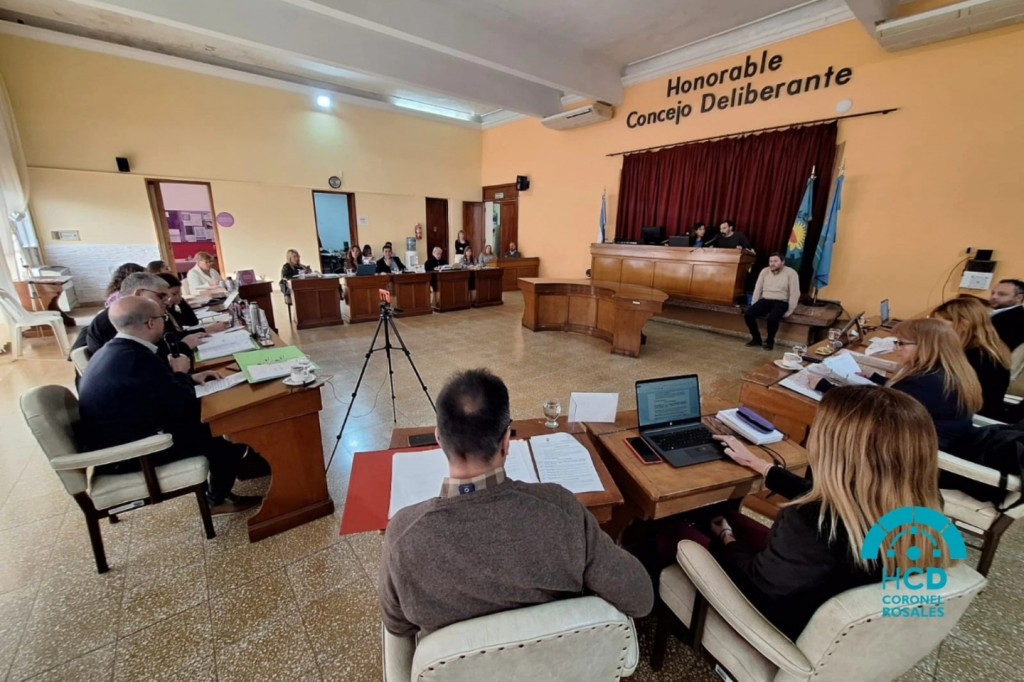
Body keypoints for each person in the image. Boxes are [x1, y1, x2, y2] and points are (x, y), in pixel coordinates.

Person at [378, 369, 653, 637]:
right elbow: (640, 599)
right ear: (506, 442)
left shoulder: (403, 534)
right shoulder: (560, 509)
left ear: (439, 438)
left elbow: (398, 626)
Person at [683, 386, 948, 640]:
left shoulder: (811, 520)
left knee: (679, 535)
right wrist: (762, 467)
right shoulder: (924, 506)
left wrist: (727, 538)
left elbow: (755, 584)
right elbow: (835, 498)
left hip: (780, 624)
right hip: (848, 627)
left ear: (838, 450)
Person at [77, 297, 260, 515]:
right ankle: (216, 500)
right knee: (228, 437)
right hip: (132, 453)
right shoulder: (136, 359)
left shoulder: (115, 350)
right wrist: (181, 373)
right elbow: (179, 404)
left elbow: (156, 392)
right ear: (151, 323)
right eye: (163, 317)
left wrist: (191, 378)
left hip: (127, 435)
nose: (165, 322)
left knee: (218, 425)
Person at [813, 318, 983, 452]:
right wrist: (878, 379)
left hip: (916, 453)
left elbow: (876, 410)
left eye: (901, 343)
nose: (896, 349)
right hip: (931, 439)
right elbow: (902, 395)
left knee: (838, 431)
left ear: (926, 346)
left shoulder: (927, 382)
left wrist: (826, 388)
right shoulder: (945, 372)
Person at [932, 297, 1011, 419]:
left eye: (940, 324)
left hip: (974, 418)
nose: (935, 330)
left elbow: (946, 390)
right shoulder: (990, 349)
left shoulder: (977, 356)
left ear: (963, 324)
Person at [743, 252, 799, 350]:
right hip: (765, 299)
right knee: (748, 314)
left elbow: (795, 293)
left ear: (783, 262)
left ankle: (770, 341)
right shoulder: (765, 271)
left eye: (775, 261)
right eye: (770, 261)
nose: (772, 263)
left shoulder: (791, 273)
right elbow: (758, 288)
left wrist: (789, 311)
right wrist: (754, 304)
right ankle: (756, 339)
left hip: (781, 301)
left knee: (772, 319)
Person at [157, 273, 230, 334]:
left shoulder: (170, 309)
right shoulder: (160, 314)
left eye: (179, 293)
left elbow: (192, 321)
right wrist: (207, 330)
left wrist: (181, 301)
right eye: (174, 294)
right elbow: (176, 336)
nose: (179, 296)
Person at [990, 278, 1024, 352]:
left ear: (1019, 298)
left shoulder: (1018, 320)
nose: (994, 297)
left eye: (1002, 294)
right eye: (993, 293)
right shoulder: (993, 313)